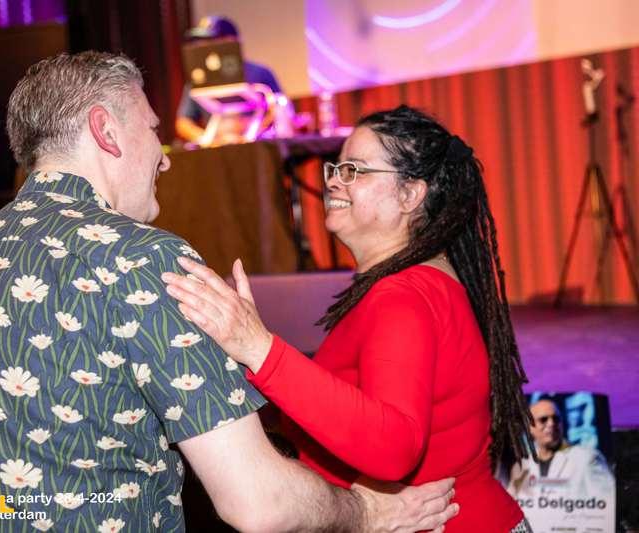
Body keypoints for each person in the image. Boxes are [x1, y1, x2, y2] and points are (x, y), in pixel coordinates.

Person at [0, 52, 457, 532]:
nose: (165, 156)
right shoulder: (142, 258)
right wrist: (367, 513)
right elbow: (258, 503)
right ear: (106, 131)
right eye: (152, 130)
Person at [163, 105, 535, 532]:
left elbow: (394, 448)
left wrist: (260, 347)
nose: (334, 180)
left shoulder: (403, 296)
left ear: (410, 195)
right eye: (336, 167)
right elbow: (344, 414)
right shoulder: (415, 280)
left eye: (355, 170)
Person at [175, 15, 282, 143]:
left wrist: (250, 132)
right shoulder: (198, 80)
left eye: (212, 41)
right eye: (203, 42)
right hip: (218, 150)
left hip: (258, 147)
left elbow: (279, 111)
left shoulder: (260, 73)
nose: (206, 47)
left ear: (230, 41)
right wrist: (208, 141)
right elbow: (183, 122)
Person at [507, 397, 614, 498]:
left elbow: (606, 502)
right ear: (529, 428)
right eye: (543, 420)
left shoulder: (587, 458)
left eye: (556, 419)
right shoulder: (521, 467)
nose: (551, 423)